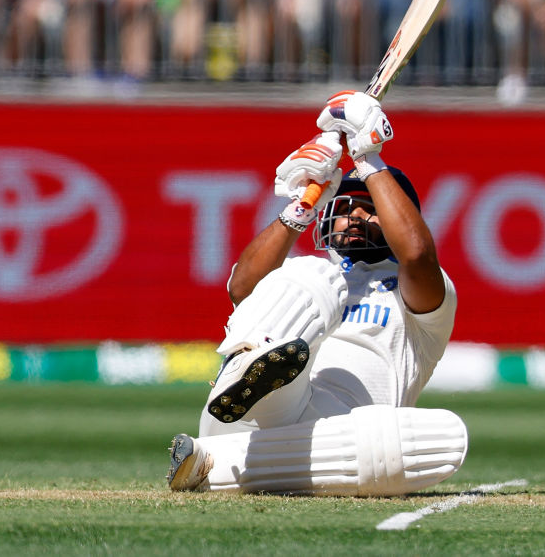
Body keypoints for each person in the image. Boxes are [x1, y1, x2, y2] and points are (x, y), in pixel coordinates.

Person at [166, 90, 466, 496]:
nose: (356, 216)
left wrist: (366, 157)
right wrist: (299, 206)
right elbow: (242, 288)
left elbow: (415, 254)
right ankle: (249, 371)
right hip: (251, 409)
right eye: (346, 207)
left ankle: (213, 465)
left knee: (445, 436)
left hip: (339, 434)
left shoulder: (424, 291)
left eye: (370, 207)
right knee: (311, 272)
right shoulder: (312, 276)